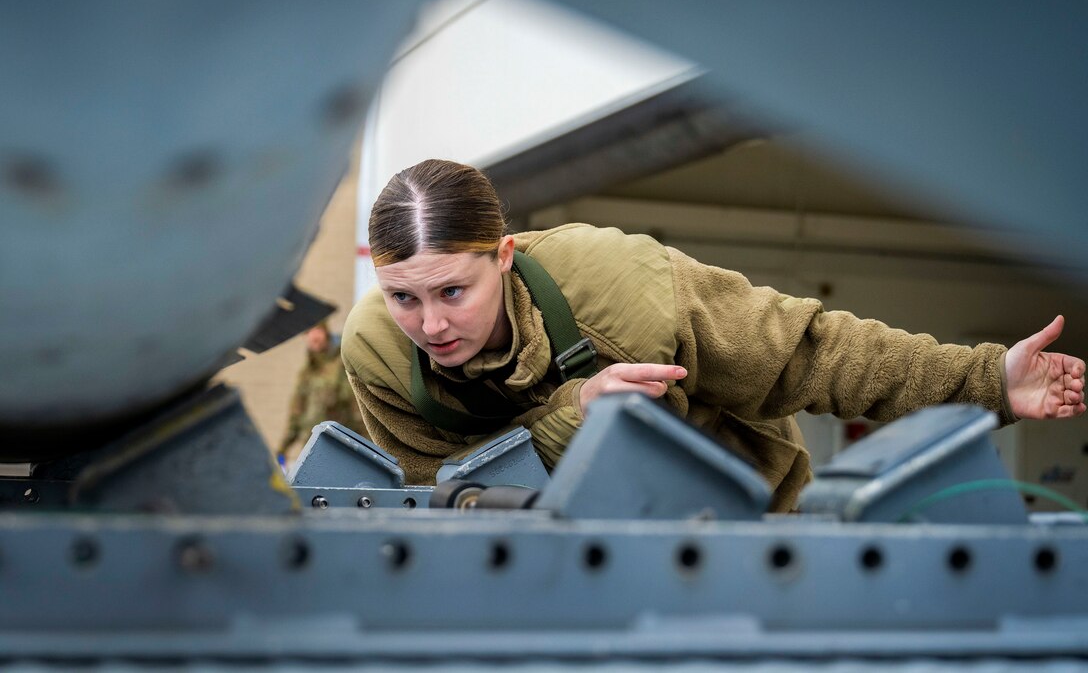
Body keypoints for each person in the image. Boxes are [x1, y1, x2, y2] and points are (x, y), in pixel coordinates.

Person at [341, 159, 1086, 510]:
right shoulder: (377, 351)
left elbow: (813, 354)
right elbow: (440, 495)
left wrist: (989, 380)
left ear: (503, 259)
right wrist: (576, 413)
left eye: (452, 292)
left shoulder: (626, 290)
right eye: (402, 296)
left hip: (722, 515)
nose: (430, 324)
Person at [279, 321, 364, 463]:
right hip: (310, 448)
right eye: (308, 332)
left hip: (339, 447)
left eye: (318, 330)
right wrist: (283, 448)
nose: (313, 336)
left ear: (326, 333)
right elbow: (296, 413)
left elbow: (357, 409)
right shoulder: (307, 373)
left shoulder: (342, 365)